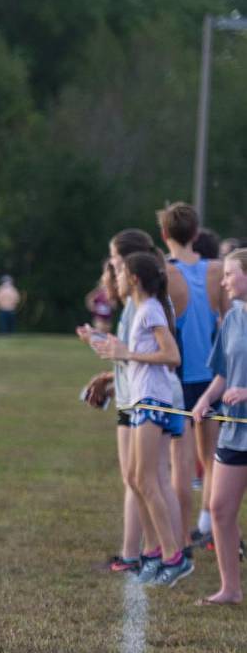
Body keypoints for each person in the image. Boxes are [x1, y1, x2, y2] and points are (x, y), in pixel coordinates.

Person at [92, 251, 193, 587]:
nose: (116, 278)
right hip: (141, 399)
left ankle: (172, 556)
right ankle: (155, 554)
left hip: (153, 400)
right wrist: (112, 351)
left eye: (121, 274)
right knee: (136, 479)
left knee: (147, 482)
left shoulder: (150, 309)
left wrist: (127, 353)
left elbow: (172, 356)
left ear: (134, 279)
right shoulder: (142, 311)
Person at [158, 202, 224, 550]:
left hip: (180, 377)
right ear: (196, 234)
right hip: (212, 378)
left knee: (180, 463)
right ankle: (209, 524)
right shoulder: (217, 270)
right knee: (211, 459)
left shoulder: (162, 273)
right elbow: (229, 327)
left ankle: (182, 538)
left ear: (164, 234)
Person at [192, 247, 247, 605]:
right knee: (221, 508)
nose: (223, 281)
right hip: (234, 431)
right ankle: (230, 589)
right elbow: (223, 373)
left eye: (230, 273)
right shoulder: (232, 317)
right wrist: (205, 399)